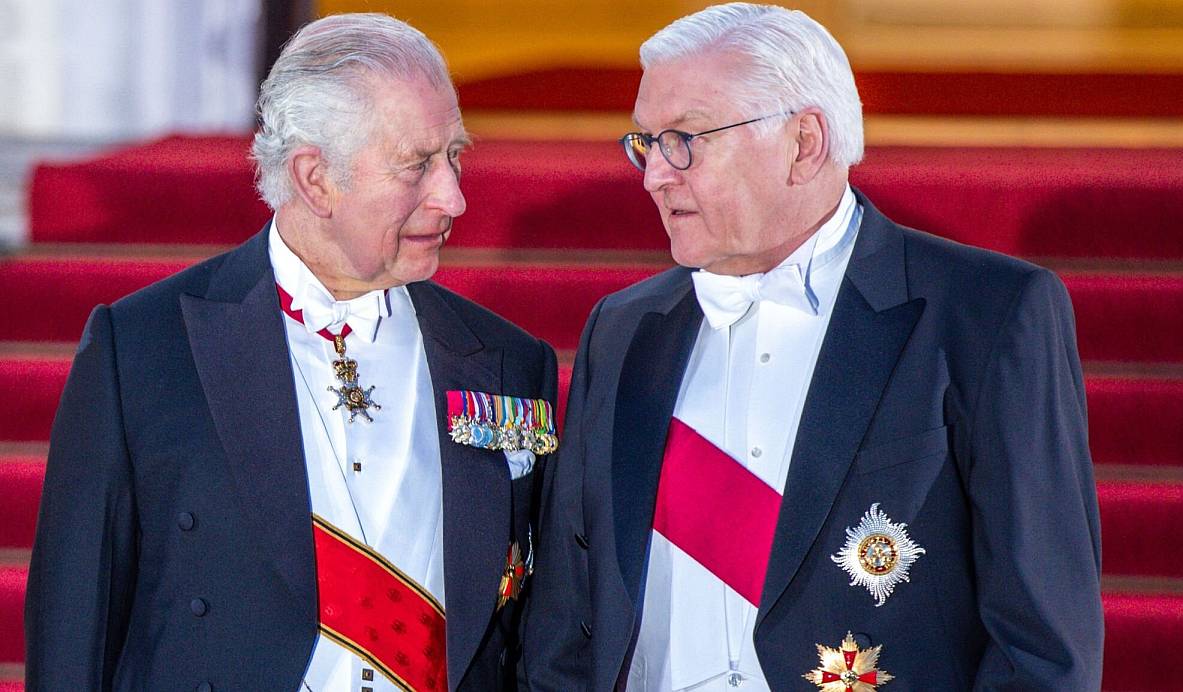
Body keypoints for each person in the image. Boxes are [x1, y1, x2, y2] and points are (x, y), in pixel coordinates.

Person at [522, 3, 1102, 690]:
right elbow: (565, 627)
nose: (654, 175)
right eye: (646, 142)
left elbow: (1042, 651)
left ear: (804, 143)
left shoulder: (987, 315)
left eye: (684, 140)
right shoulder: (623, 328)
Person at [25, 13, 557, 692]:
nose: (453, 196)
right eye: (417, 165)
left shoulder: (509, 362)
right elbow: (73, 635)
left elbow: (540, 638)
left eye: (455, 155)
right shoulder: (142, 350)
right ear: (315, 178)